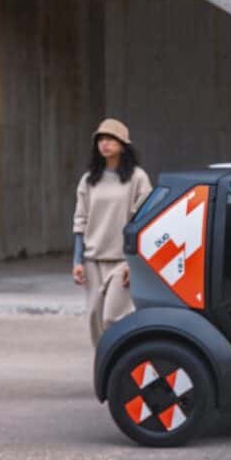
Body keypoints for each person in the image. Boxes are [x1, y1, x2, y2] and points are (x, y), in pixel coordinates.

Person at [72, 118, 152, 346]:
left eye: (110, 139)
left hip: (122, 260)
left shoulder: (138, 178)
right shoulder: (89, 180)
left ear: (123, 144)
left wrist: (134, 262)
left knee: (113, 318)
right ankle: (105, 370)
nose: (104, 144)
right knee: (93, 319)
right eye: (100, 139)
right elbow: (80, 221)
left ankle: (125, 368)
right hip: (92, 260)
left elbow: (145, 220)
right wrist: (77, 260)